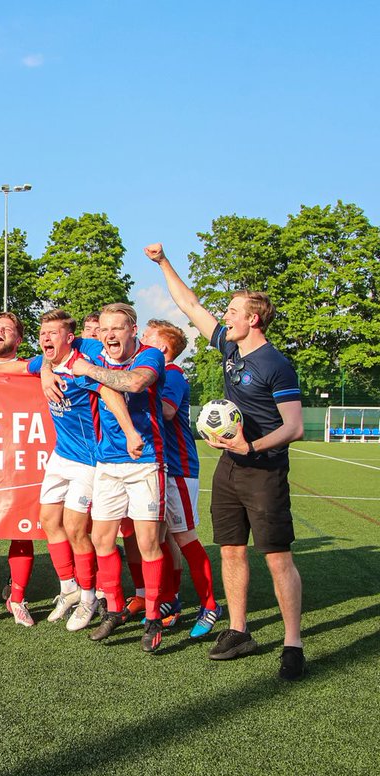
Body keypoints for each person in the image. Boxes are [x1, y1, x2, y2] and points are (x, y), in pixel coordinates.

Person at [148, 243, 305, 679]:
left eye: (234, 310)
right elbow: (190, 304)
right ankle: (239, 630)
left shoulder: (276, 364)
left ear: (252, 318)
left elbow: (294, 427)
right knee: (231, 550)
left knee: (277, 557)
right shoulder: (230, 351)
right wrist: (164, 262)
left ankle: (293, 643)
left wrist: (250, 447)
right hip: (229, 469)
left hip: (264, 470)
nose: (227, 316)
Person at [0, 310, 141, 633]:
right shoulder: (46, 362)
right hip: (61, 456)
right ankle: (69, 588)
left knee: (76, 528)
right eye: (43, 333)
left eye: (53, 333)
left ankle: (90, 597)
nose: (46, 338)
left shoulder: (86, 360)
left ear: (70, 337)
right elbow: (22, 366)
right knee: (49, 520)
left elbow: (110, 392)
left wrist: (131, 431)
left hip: (88, 461)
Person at [43, 302, 170, 652]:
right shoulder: (91, 354)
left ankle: (154, 617)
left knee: (147, 543)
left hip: (145, 460)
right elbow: (47, 354)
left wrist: (86, 369)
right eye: (105, 329)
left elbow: (131, 383)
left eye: (118, 328)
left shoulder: (149, 356)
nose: (110, 334)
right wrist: (46, 371)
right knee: (101, 539)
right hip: (106, 462)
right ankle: (113, 610)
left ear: (132, 329)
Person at [139, 319, 222, 638]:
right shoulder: (159, 374)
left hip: (179, 469)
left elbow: (168, 410)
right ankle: (170, 600)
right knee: (161, 538)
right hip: (159, 467)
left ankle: (211, 605)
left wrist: (130, 395)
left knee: (185, 537)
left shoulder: (171, 373)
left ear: (161, 348)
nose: (141, 340)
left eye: (147, 337)